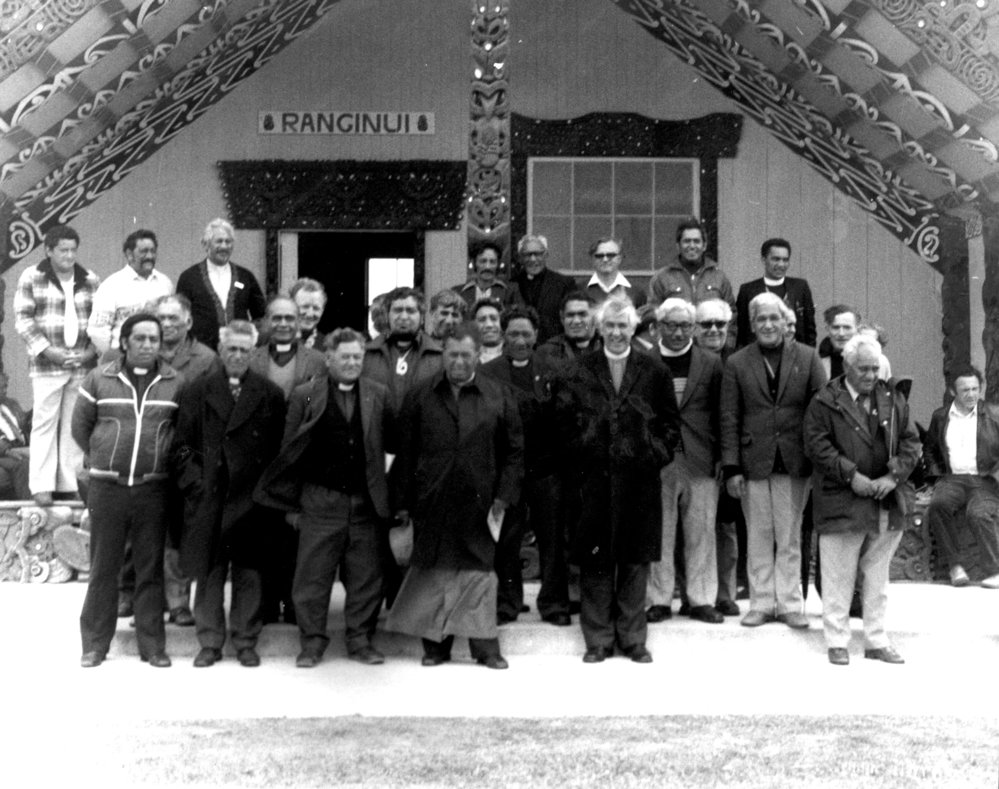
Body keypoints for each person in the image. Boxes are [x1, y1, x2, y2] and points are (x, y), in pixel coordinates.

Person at [387, 324, 524, 670]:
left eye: (466, 354)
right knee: (434, 574)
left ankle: (485, 649)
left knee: (479, 575)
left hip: (482, 502)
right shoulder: (421, 395)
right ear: (442, 354)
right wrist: (402, 504)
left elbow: (514, 453)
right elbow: (404, 454)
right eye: (452, 354)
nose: (459, 361)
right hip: (431, 500)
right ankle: (435, 648)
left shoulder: (499, 394)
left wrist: (504, 496)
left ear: (478, 354)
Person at [256, 327, 393, 667]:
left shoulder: (378, 393)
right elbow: (287, 451)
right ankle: (312, 643)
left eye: (357, 357)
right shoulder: (305, 393)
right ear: (328, 359)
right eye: (344, 356)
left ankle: (360, 640)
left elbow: (391, 447)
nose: (351, 363)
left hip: (363, 502)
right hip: (319, 501)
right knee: (312, 578)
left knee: (365, 578)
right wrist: (291, 505)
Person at [554, 298, 679, 663]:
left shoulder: (654, 371)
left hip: (639, 482)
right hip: (592, 483)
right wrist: (584, 452)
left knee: (634, 560)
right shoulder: (577, 371)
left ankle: (632, 638)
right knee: (595, 561)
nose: (616, 332)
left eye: (623, 325)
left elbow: (670, 425)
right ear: (599, 328)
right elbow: (563, 424)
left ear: (633, 328)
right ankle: (598, 640)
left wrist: (652, 454)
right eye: (609, 325)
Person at [73, 313, 183, 668]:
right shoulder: (98, 379)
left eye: (154, 339)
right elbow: (80, 428)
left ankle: (152, 646)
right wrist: (104, 457)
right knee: (104, 568)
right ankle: (94, 645)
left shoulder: (174, 383)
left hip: (152, 489)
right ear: (124, 342)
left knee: (150, 569)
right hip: (108, 487)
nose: (148, 345)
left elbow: (179, 434)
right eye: (140, 338)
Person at [174, 321, 286, 668]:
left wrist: (265, 492)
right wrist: (197, 485)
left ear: (253, 352)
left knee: (249, 573)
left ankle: (245, 640)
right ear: (221, 352)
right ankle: (209, 641)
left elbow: (277, 450)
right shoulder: (197, 391)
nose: (237, 355)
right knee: (209, 573)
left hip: (251, 499)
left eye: (244, 350)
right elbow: (180, 448)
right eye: (231, 349)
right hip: (210, 497)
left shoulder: (269, 393)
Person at [804, 334, 921, 665]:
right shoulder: (825, 401)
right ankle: (837, 641)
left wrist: (892, 476)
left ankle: (876, 639)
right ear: (846, 366)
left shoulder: (893, 399)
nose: (871, 376)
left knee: (878, 577)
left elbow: (912, 443)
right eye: (864, 369)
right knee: (838, 576)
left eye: (875, 369)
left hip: (885, 499)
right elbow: (816, 445)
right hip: (842, 499)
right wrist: (850, 475)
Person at [721, 292, 826, 629]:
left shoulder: (808, 358)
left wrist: (815, 459)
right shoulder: (737, 362)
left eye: (774, 319)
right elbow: (729, 417)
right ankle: (762, 603)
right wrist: (732, 466)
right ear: (752, 325)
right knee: (758, 536)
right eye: (761, 320)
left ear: (786, 323)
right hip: (753, 462)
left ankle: (790, 604)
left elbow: (820, 412)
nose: (768, 324)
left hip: (795, 463)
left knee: (791, 536)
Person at [117, 293, 221, 625]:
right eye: (161, 318)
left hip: (186, 458)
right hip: (147, 457)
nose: (167, 324)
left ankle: (178, 604)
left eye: (174, 318)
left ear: (188, 322)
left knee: (178, 534)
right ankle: (144, 603)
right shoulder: (145, 356)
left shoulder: (206, 359)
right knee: (143, 534)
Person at [481, 305, 569, 626]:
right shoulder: (488, 372)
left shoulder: (553, 369)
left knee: (552, 539)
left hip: (546, 468)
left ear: (536, 335)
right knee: (507, 539)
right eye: (513, 333)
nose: (520, 340)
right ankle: (508, 603)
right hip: (508, 471)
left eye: (526, 333)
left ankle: (554, 603)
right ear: (504, 335)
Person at [646, 298, 724, 625]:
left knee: (701, 531)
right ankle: (659, 600)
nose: (678, 332)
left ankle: (701, 599)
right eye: (671, 325)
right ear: (659, 326)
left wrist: (723, 457)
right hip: (658, 460)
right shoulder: (645, 361)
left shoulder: (710, 362)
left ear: (693, 328)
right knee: (659, 532)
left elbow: (724, 413)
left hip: (701, 457)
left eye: (684, 326)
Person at [248, 295, 325, 625]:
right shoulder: (251, 360)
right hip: (260, 462)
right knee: (263, 535)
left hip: (301, 459)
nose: (282, 324)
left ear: (299, 323)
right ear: (266, 322)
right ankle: (265, 605)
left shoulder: (317, 362)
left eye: (289, 318)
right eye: (276, 318)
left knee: (297, 538)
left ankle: (294, 606)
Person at [14, 224, 101, 506]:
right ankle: (41, 486)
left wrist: (89, 353)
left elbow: (98, 321)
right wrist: (48, 351)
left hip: (80, 364)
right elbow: (24, 319)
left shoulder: (90, 279)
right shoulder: (32, 276)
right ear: (48, 250)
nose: (69, 255)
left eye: (73, 250)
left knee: (75, 426)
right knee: (44, 421)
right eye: (63, 250)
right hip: (47, 364)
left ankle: (70, 484)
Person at [923, 365, 999, 589]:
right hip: (952, 479)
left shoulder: (994, 415)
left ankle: (994, 570)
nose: (971, 394)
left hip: (984, 479)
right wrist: (936, 477)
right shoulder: (940, 416)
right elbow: (930, 450)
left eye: (975, 389)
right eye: (965, 390)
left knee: (979, 513)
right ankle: (955, 566)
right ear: (952, 390)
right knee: (938, 505)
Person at [694, 298, 742, 615]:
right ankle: (691, 592)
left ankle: (725, 593)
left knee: (725, 527)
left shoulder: (737, 362)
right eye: (706, 324)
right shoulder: (688, 359)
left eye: (719, 325)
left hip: (728, 458)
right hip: (695, 457)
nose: (713, 330)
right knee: (693, 528)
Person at [176, 218, 266, 351]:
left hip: (239, 351)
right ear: (205, 244)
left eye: (228, 242)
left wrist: (253, 340)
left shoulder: (245, 277)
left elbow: (261, 315)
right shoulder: (189, 277)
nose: (224, 246)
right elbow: (180, 317)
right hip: (202, 351)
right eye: (219, 241)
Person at [646, 218, 735, 347]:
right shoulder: (662, 278)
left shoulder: (719, 277)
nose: (692, 246)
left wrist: (727, 347)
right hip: (675, 350)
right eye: (687, 241)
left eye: (696, 241)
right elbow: (653, 316)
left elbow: (731, 316)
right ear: (678, 246)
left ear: (704, 246)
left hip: (710, 352)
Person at [90, 230, 173, 357]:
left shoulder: (165, 283)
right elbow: (97, 330)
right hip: (122, 359)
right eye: (144, 251)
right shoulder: (111, 285)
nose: (150, 256)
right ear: (129, 254)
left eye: (153, 251)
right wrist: (115, 357)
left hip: (159, 359)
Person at [362, 287, 443, 416]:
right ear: (387, 315)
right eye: (397, 310)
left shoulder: (439, 358)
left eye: (410, 311)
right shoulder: (366, 355)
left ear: (422, 317)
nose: (404, 316)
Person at [735, 238, 816, 348]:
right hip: (758, 356)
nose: (781, 264)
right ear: (764, 260)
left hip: (795, 355)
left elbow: (810, 331)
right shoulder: (747, 290)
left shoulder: (801, 287)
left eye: (785, 260)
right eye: (776, 259)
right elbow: (742, 332)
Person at [512, 234, 575, 343]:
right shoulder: (512, 284)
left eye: (538, 254)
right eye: (527, 255)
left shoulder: (564, 284)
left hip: (554, 348)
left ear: (546, 255)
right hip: (520, 345)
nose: (533, 259)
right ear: (520, 258)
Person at [453, 240, 522, 311]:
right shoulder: (458, 293)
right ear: (474, 263)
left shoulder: (510, 291)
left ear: (498, 265)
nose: (487, 267)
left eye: (492, 262)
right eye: (483, 261)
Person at [584, 238, 646, 307]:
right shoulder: (579, 289)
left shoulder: (636, 292)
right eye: (599, 256)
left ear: (620, 258)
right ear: (592, 259)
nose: (605, 259)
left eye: (610, 255)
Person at [0, 371, 31, 500]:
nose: (4, 390)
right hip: (4, 451)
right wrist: (6, 451)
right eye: (1, 387)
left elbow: (25, 424)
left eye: (5, 386)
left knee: (45, 456)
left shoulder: (11, 404)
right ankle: (29, 507)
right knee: (22, 464)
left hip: (18, 445)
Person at [290, 278, 328, 349]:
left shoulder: (329, 346)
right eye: (305, 307)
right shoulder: (274, 342)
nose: (310, 314)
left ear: (322, 311)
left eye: (316, 308)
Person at [472, 297, 505, 364]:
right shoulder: (468, 359)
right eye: (482, 320)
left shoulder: (515, 355)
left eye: (494, 319)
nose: (488, 325)